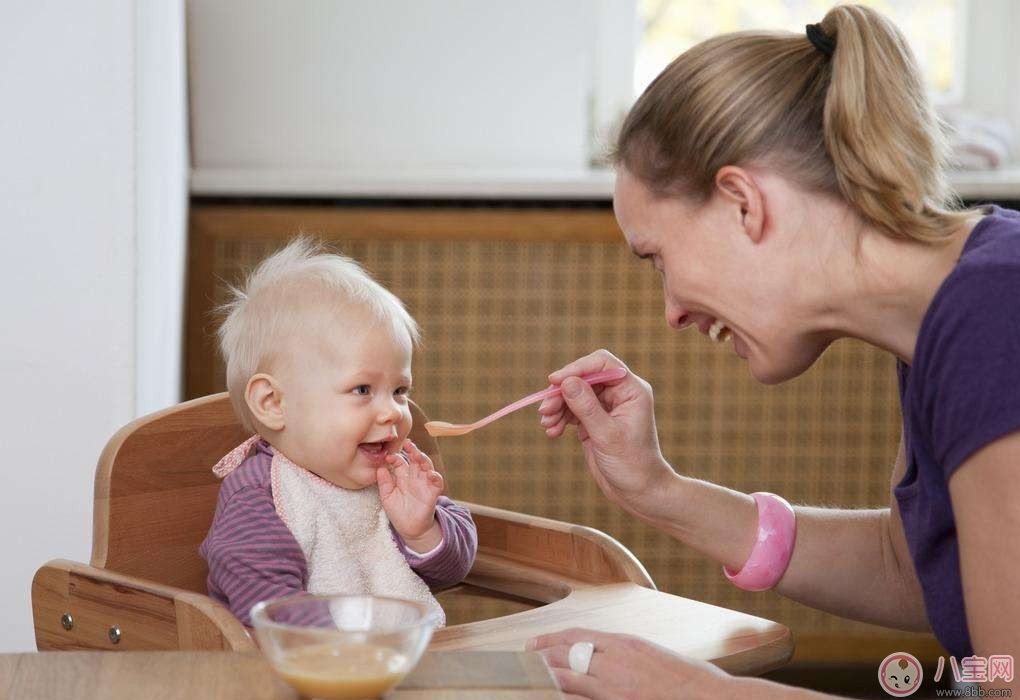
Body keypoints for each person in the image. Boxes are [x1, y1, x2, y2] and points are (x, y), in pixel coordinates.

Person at [526, 5, 1020, 698]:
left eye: (658, 258)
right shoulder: (951, 312)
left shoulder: (996, 320)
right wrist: (659, 491)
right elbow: (917, 569)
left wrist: (698, 691)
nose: (671, 312)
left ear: (741, 202)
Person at [199, 237, 477, 627]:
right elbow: (270, 611)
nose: (393, 412)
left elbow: (453, 571)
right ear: (273, 403)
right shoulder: (261, 499)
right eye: (362, 390)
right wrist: (353, 652)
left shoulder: (393, 475)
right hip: (299, 676)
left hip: (399, 664)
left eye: (399, 390)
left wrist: (422, 531)